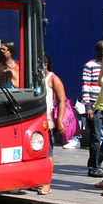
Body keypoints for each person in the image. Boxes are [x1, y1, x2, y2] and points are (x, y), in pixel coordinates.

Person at [38, 52, 67, 195]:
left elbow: (62, 100)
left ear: (45, 65)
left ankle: (47, 183)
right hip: (35, 120)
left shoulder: (53, 79)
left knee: (48, 151)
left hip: (48, 122)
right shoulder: (35, 79)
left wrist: (60, 121)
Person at [82, 41, 103, 177]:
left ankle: (99, 160)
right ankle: (94, 166)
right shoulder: (89, 66)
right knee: (96, 137)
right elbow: (85, 87)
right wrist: (88, 107)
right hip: (94, 107)